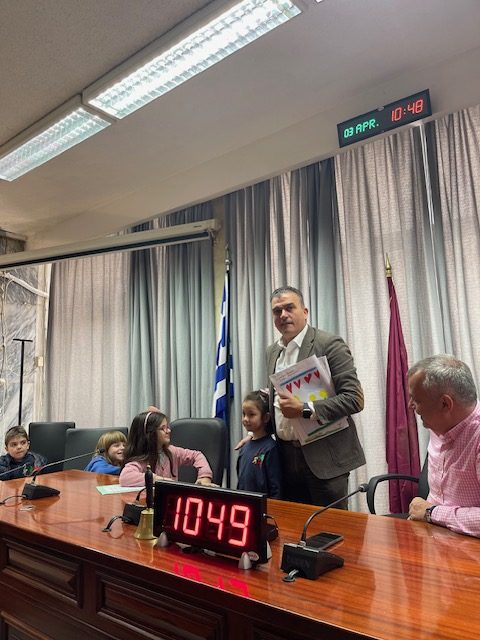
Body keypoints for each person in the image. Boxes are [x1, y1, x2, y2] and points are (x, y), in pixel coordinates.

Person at [264, 285, 365, 507]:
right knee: (293, 525)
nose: (283, 315)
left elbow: (354, 399)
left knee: (329, 526)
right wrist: (258, 431)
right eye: (277, 311)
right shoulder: (272, 352)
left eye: (289, 308)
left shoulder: (328, 344)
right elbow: (275, 402)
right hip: (285, 458)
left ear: (305, 311)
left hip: (325, 458)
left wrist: (304, 409)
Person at [407, 355, 480, 538]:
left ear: (445, 404)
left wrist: (431, 512)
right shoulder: (439, 423)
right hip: (432, 536)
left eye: (417, 400)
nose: (411, 406)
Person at [120, 410, 215, 487]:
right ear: (149, 434)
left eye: (167, 427)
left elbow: (197, 455)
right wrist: (158, 480)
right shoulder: (141, 460)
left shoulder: (172, 451)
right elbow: (125, 477)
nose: (168, 431)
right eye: (163, 428)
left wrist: (205, 476)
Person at [237, 390, 282, 498]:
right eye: (244, 414)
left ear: (266, 417)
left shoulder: (271, 448)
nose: (246, 419)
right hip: (245, 505)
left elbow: (276, 487)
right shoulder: (244, 448)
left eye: (251, 415)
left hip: (264, 506)